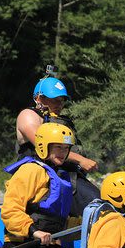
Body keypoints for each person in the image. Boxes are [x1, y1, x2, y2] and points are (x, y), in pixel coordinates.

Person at [0, 122, 84, 248]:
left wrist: (88, 225)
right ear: (43, 146)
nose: (63, 152)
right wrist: (34, 231)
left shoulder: (57, 175)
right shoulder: (30, 171)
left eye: (66, 148)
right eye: (58, 147)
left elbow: (59, 223)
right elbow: (10, 211)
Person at [15, 71, 99, 215]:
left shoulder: (61, 122)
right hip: (38, 174)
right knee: (92, 200)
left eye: (61, 100)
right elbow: (44, 146)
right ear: (38, 98)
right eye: (54, 100)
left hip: (66, 174)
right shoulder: (28, 115)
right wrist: (81, 160)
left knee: (96, 198)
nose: (59, 104)